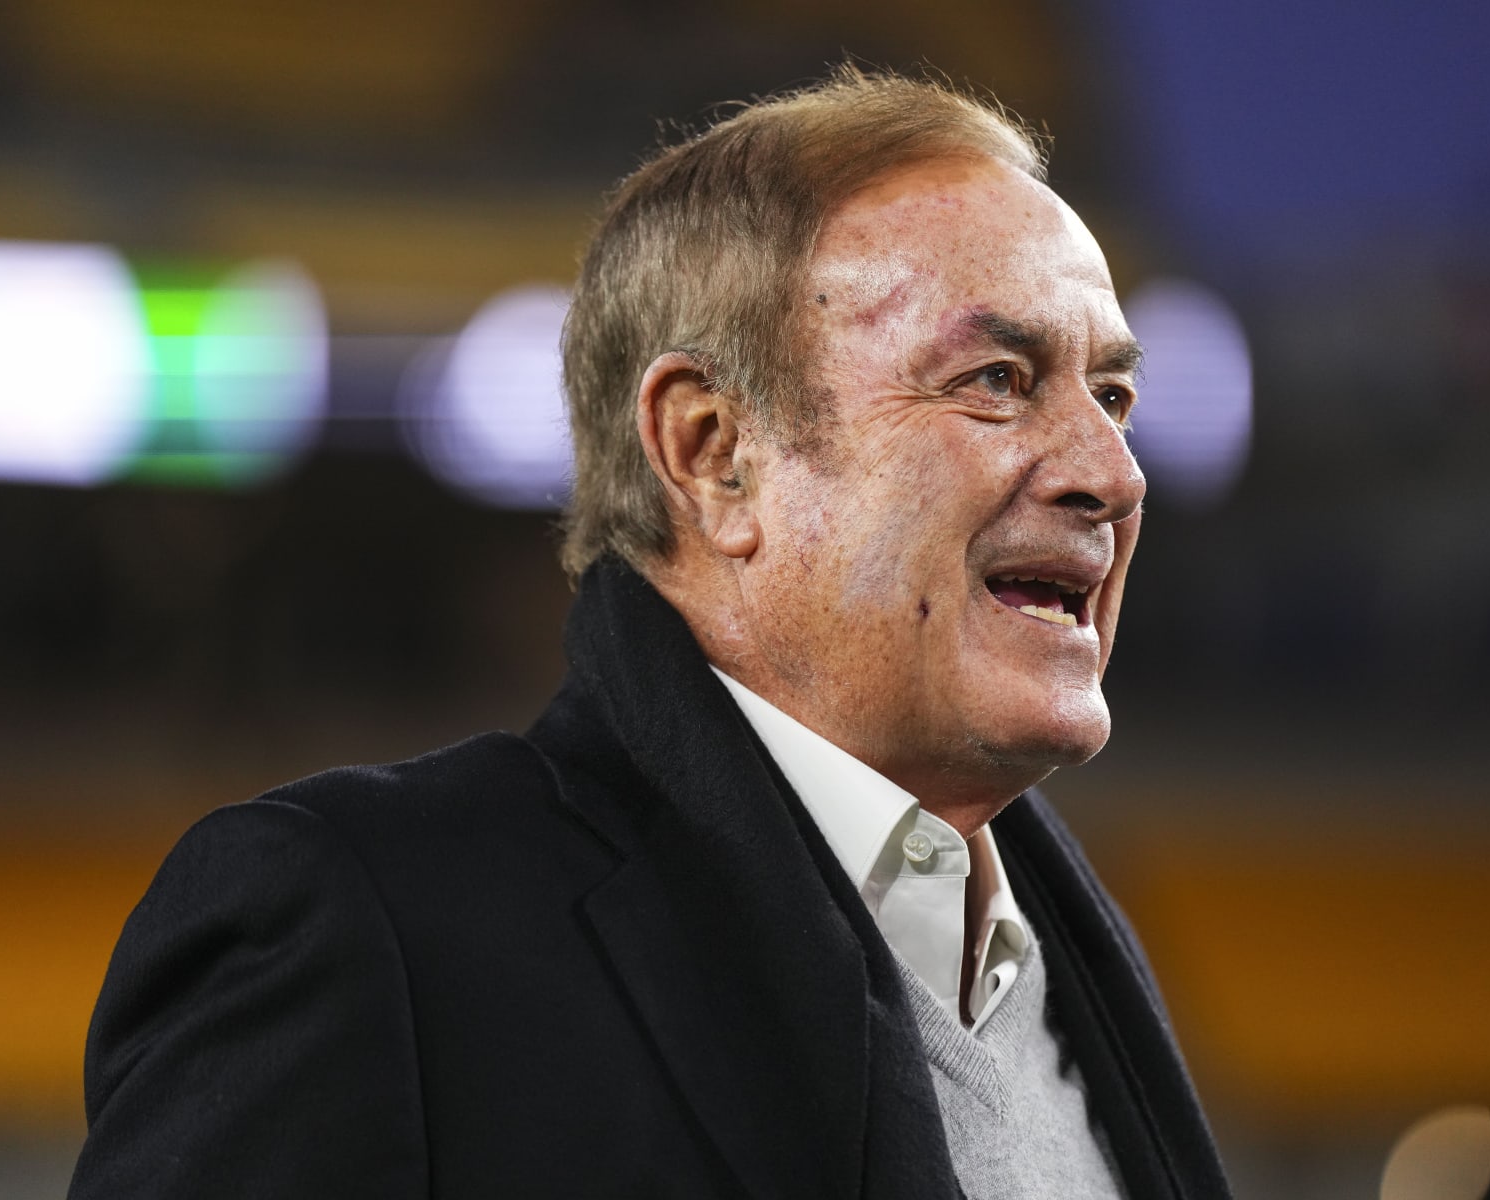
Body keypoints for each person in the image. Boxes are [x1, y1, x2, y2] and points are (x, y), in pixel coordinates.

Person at [69, 67, 1231, 1200]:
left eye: (1113, 396)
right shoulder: (365, 922)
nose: (1111, 473)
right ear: (715, 454)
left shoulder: (1076, 975)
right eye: (996, 378)